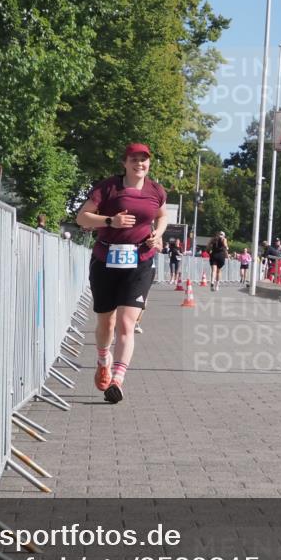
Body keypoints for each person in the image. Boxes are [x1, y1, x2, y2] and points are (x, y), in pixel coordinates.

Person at [76, 142, 168, 404]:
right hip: (106, 259)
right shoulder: (108, 188)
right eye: (134, 159)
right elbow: (82, 218)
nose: (140, 164)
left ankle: (117, 379)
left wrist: (157, 235)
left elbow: (161, 217)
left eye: (144, 160)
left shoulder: (155, 190)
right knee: (107, 322)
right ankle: (103, 360)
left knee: (127, 323)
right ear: (125, 163)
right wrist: (110, 221)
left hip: (140, 260)